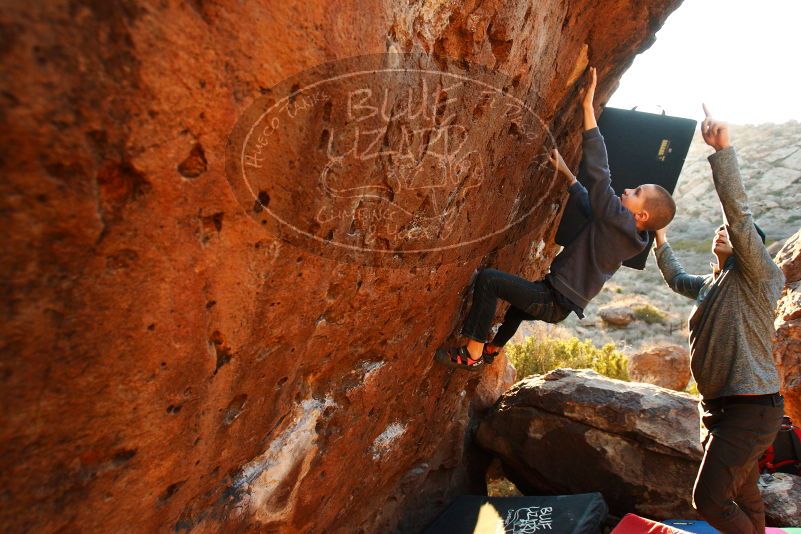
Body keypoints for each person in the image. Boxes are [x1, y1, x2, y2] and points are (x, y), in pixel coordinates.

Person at [436, 67, 676, 370]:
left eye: (636, 191)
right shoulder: (629, 235)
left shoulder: (618, 219)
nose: (628, 189)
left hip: (553, 299)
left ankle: (472, 353)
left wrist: (587, 108)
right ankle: (494, 349)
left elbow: (601, 173)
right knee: (517, 310)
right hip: (558, 301)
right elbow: (591, 207)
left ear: (641, 214)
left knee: (489, 280)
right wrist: (567, 174)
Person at [653, 105, 784, 534]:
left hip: (750, 409)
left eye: (729, 233)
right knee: (745, 496)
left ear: (750, 250)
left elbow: (740, 217)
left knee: (708, 499)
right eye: (719, 230)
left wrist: (722, 152)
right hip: (725, 411)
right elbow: (675, 278)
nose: (721, 232)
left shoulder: (759, 276)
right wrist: (660, 238)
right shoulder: (713, 287)